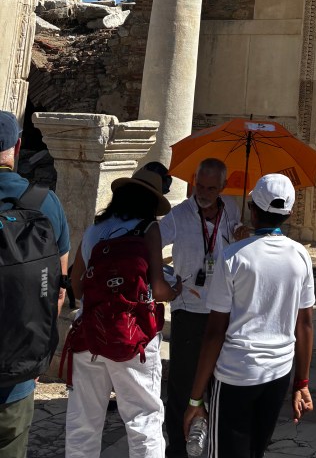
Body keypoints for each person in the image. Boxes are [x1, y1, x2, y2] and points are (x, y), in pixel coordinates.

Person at [183, 173, 314, 458]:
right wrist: (301, 383)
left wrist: (195, 397)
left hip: (235, 374)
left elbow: (215, 331)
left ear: (252, 208)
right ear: (289, 213)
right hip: (278, 372)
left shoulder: (232, 257)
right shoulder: (300, 255)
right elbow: (304, 325)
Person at [65, 167, 180, 458]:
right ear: (150, 203)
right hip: (132, 337)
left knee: (83, 421)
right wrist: (176, 288)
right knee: (143, 419)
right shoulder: (148, 229)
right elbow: (158, 286)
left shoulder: (94, 230)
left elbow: (77, 289)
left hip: (90, 334)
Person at [159, 158, 242, 458]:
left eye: (211, 187)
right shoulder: (179, 215)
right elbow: (151, 241)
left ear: (222, 187)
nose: (203, 192)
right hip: (189, 310)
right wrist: (164, 280)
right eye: (199, 186)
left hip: (223, 311)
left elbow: (236, 239)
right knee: (183, 386)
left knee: (218, 383)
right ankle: (178, 451)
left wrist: (241, 234)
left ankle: (212, 446)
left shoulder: (231, 209)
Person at [0, 110, 70, 458]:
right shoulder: (46, 203)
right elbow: (56, 292)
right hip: (18, 376)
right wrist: (36, 356)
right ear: (18, 145)